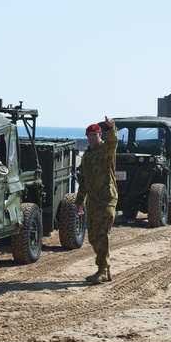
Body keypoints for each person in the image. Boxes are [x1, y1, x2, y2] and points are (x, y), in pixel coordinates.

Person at [75, 117, 118, 284]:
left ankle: (101, 269)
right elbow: (84, 180)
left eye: (95, 134)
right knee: (93, 236)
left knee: (102, 233)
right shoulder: (87, 155)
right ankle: (106, 270)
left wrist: (110, 128)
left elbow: (113, 141)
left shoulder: (106, 149)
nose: (92, 137)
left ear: (100, 135)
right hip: (92, 200)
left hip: (107, 198)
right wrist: (79, 202)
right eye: (90, 134)